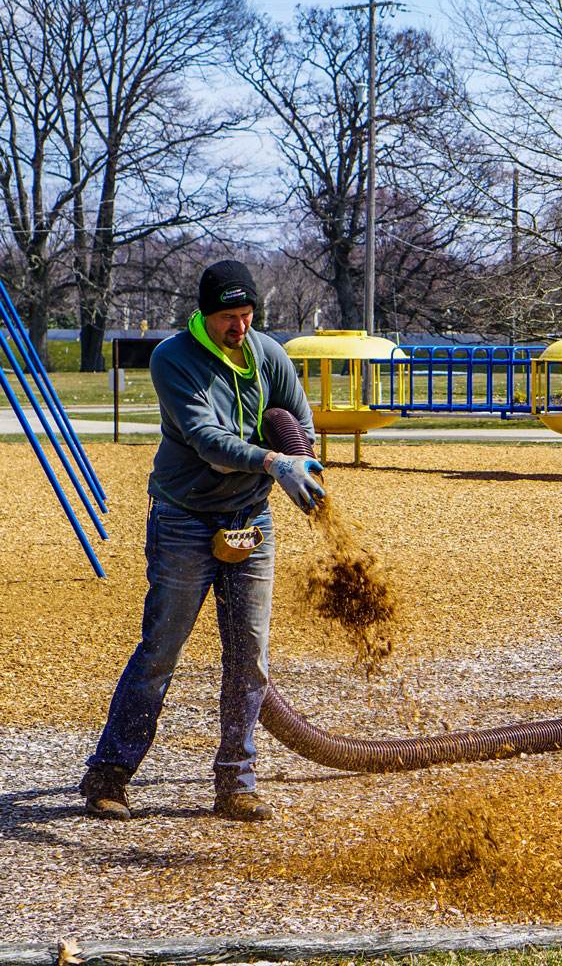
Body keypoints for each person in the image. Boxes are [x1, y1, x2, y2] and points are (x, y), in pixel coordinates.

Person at [79, 260, 325, 822]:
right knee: (161, 651)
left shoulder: (268, 353)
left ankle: (235, 784)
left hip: (251, 520)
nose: (241, 327)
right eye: (228, 318)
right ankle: (108, 776)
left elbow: (303, 427)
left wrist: (302, 458)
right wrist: (273, 460)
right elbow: (207, 440)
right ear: (204, 315)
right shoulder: (173, 359)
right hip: (185, 520)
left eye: (247, 314)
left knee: (250, 657)